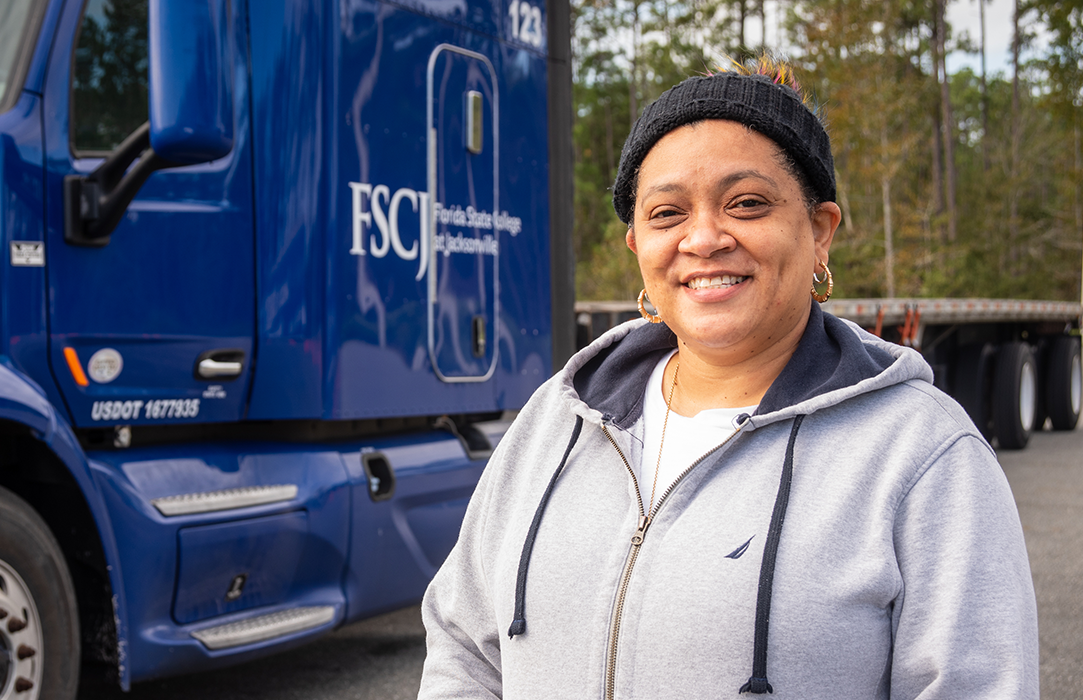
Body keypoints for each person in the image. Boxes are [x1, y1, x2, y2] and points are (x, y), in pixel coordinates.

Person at [417, 60, 1039, 699]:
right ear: (637, 246)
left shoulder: (922, 452)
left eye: (746, 204)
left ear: (820, 231)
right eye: (667, 213)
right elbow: (464, 647)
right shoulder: (556, 420)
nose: (704, 238)